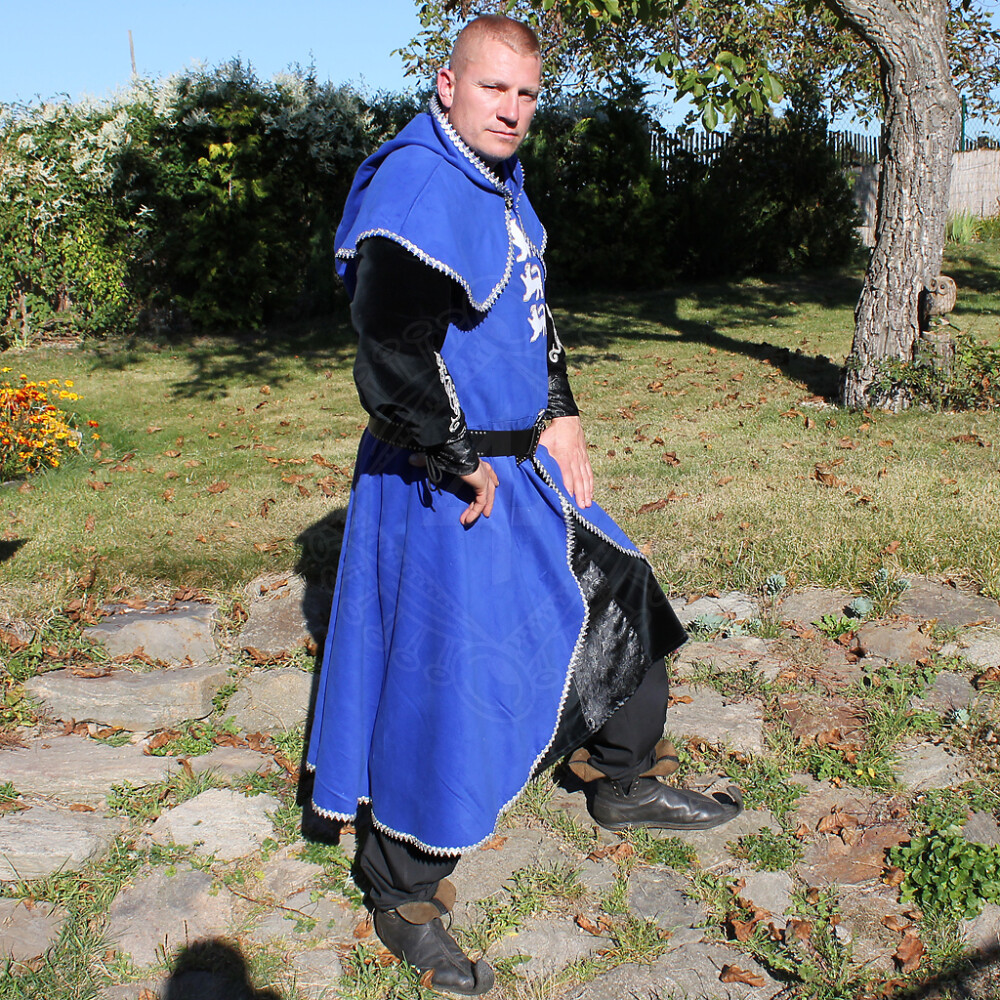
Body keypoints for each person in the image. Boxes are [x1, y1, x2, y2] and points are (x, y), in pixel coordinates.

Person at [305, 14, 742, 995]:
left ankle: (620, 779)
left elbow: (528, 312)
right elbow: (387, 345)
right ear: (447, 83)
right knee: (449, 681)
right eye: (493, 87)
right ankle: (401, 891)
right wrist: (455, 454)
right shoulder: (423, 184)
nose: (511, 109)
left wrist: (560, 409)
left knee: (622, 589)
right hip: (446, 480)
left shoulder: (492, 175)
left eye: (526, 94)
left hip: (518, 458)